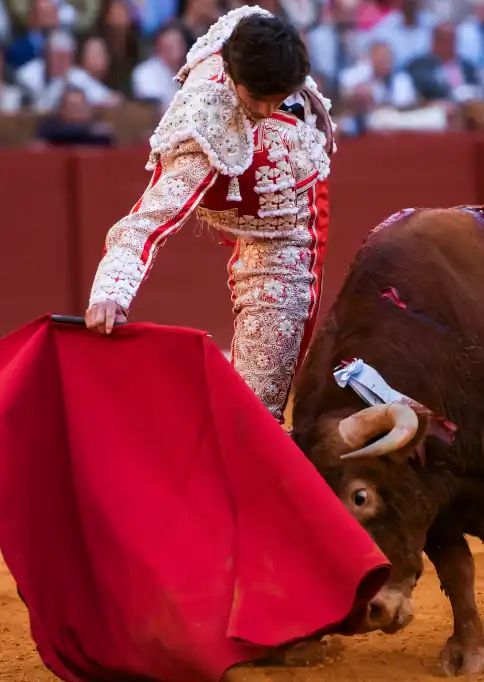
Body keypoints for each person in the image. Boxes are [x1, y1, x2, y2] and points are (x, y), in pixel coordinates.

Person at [84, 5, 336, 425]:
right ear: (233, 77)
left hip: (286, 235)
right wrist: (112, 289)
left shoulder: (263, 47)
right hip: (261, 218)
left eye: (280, 98)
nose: (267, 109)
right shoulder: (206, 125)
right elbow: (150, 218)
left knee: (259, 404)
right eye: (258, 99)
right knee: (255, 416)